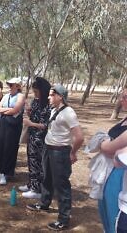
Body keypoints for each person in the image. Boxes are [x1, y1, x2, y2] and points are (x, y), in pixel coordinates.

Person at [27, 84, 84, 231]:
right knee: (47, 178)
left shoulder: (69, 113)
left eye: (52, 95)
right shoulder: (54, 110)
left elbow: (79, 137)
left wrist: (72, 153)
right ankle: (44, 204)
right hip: (48, 149)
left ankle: (64, 219)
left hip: (60, 152)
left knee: (61, 185)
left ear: (60, 96)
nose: (48, 97)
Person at [99, 89, 127, 233]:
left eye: (126, 97)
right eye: (121, 96)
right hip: (110, 170)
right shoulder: (124, 118)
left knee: (113, 211)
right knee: (105, 206)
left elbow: (109, 149)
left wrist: (103, 143)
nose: (122, 99)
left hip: (120, 174)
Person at [19, 77, 51, 199]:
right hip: (32, 137)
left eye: (37, 92)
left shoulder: (48, 105)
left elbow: (45, 125)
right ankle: (31, 183)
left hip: (41, 139)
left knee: (38, 163)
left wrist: (30, 124)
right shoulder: (36, 101)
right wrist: (28, 112)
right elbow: (33, 116)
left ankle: (37, 189)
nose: (35, 94)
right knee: (31, 161)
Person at [0, 78, 25, 185]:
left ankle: (7, 172)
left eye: (12, 84)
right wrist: (8, 110)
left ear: (17, 86)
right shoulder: (6, 96)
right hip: (4, 122)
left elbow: (16, 110)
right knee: (2, 146)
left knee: (10, 147)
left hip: (14, 125)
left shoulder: (20, 96)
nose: (10, 86)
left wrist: (5, 110)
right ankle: (2, 170)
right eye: (9, 84)